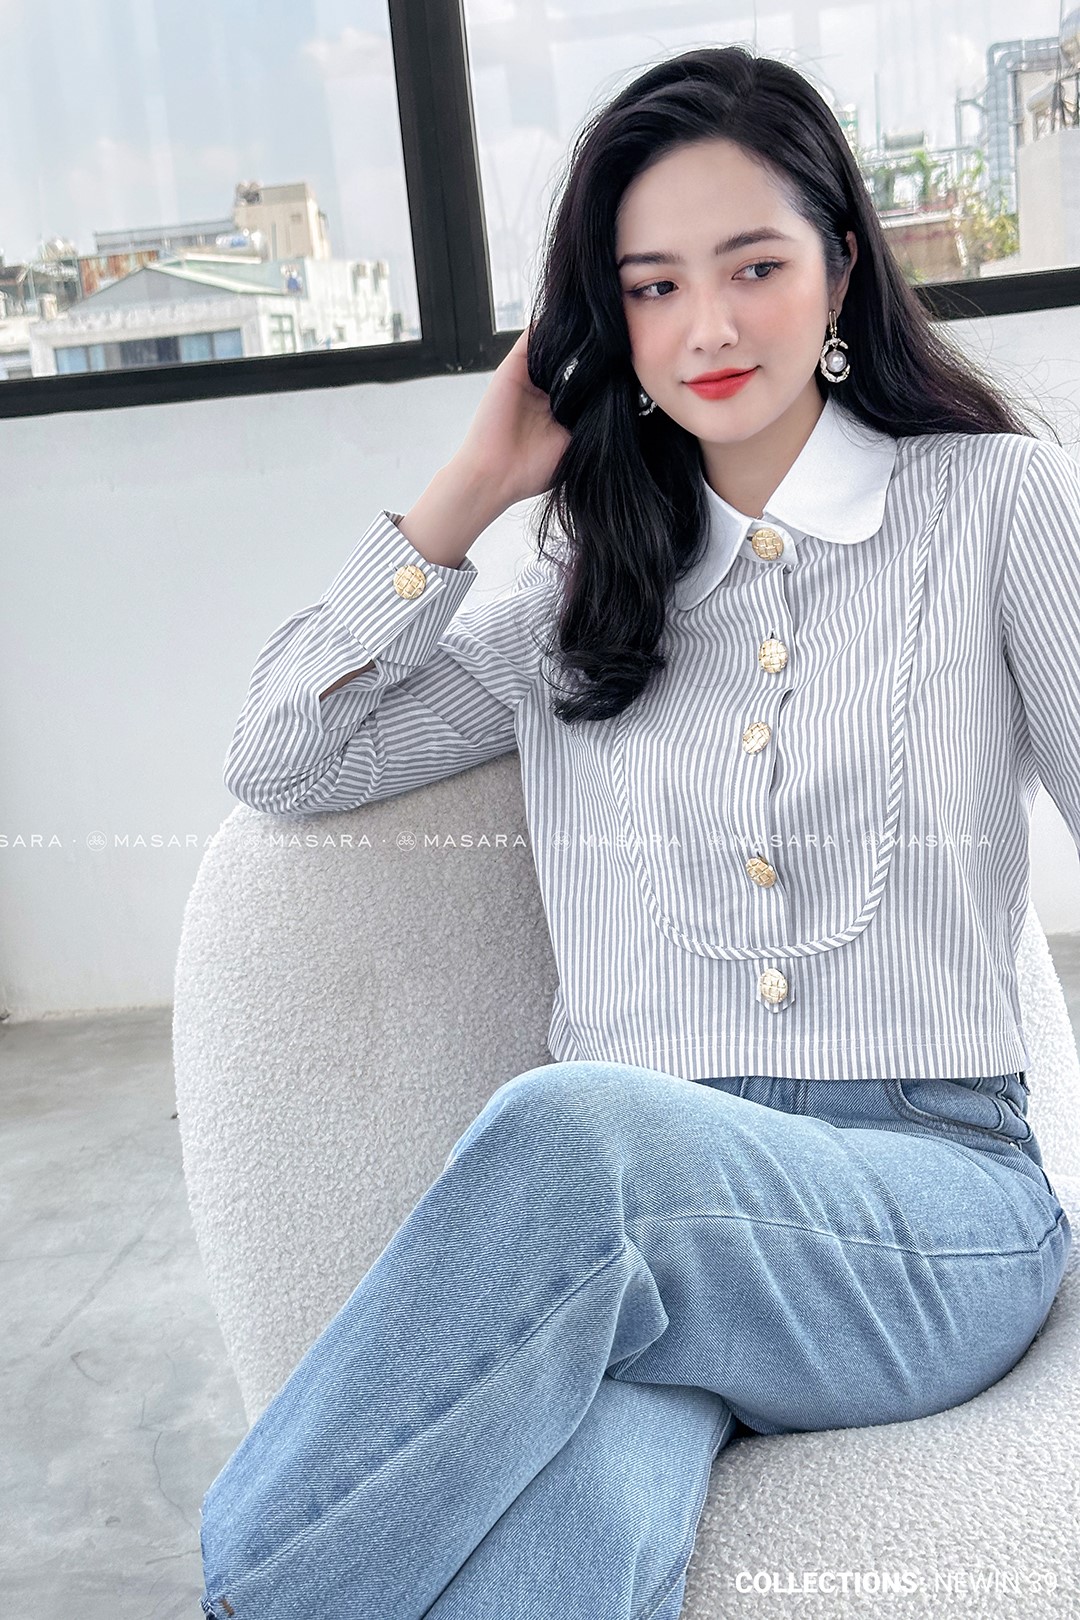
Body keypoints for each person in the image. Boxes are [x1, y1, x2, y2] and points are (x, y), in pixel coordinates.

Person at [199, 44, 1076, 1620]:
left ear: (841, 269)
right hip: (643, 1270)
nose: (708, 327)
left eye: (753, 267)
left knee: (574, 1135)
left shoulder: (997, 506)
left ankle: (242, 1595)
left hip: (927, 1218)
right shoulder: (579, 596)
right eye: (653, 288)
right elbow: (280, 758)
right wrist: (472, 488)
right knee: (573, 1522)